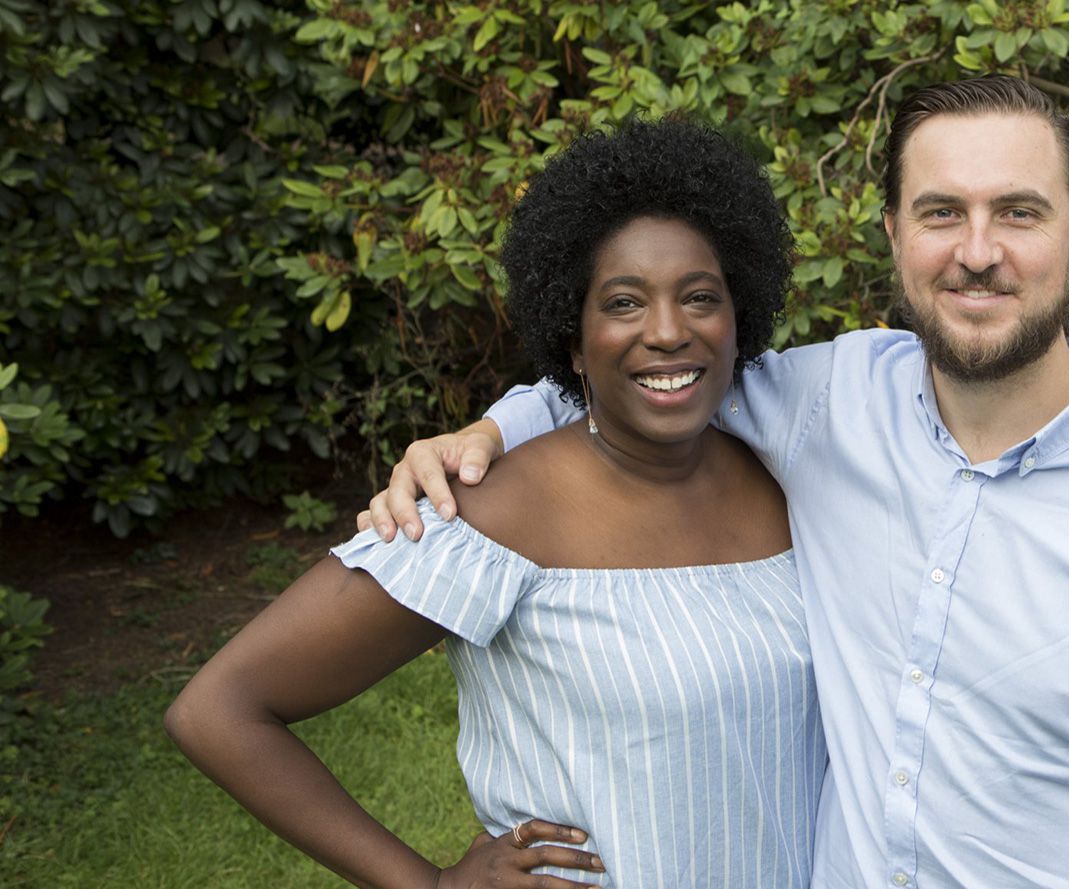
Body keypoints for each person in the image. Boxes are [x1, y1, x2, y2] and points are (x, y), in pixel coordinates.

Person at [367, 76, 1069, 886]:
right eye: (942, 211)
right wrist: (482, 433)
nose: (977, 253)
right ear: (893, 233)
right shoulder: (831, 401)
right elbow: (656, 371)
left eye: (1018, 212)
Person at [166, 118, 823, 888]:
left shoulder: (789, 482)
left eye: (700, 296)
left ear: (737, 314)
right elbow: (221, 709)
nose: (669, 331)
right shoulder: (490, 513)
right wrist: (430, 884)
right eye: (623, 302)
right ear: (572, 339)